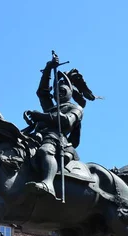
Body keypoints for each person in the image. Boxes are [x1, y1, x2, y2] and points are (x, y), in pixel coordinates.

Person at [24, 53, 97, 198]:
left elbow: (66, 122)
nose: (59, 93)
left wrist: (40, 116)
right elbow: (42, 92)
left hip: (59, 142)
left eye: (63, 90)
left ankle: (48, 183)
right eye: (57, 91)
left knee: (45, 151)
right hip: (40, 136)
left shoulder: (76, 109)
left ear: (70, 92)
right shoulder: (51, 107)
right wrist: (48, 68)